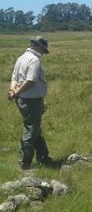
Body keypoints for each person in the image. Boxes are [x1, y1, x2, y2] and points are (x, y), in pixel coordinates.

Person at [7, 36, 53, 170]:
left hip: (22, 99)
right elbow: (30, 80)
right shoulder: (34, 60)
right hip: (32, 99)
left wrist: (13, 91)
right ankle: (25, 163)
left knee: (35, 129)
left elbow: (14, 77)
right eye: (43, 50)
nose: (43, 53)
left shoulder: (21, 58)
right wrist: (17, 92)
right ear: (39, 47)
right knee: (31, 129)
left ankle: (44, 157)